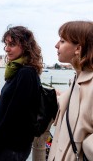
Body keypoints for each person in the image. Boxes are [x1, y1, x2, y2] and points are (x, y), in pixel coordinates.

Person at [0, 26, 43, 161]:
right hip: (1, 142)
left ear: (25, 46)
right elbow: (2, 106)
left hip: (12, 147)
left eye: (12, 44)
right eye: (6, 44)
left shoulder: (26, 73)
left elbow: (15, 114)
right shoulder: (16, 70)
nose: (6, 49)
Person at [48, 21, 93, 161]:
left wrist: (85, 146)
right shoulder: (78, 78)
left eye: (62, 41)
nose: (56, 45)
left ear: (78, 48)